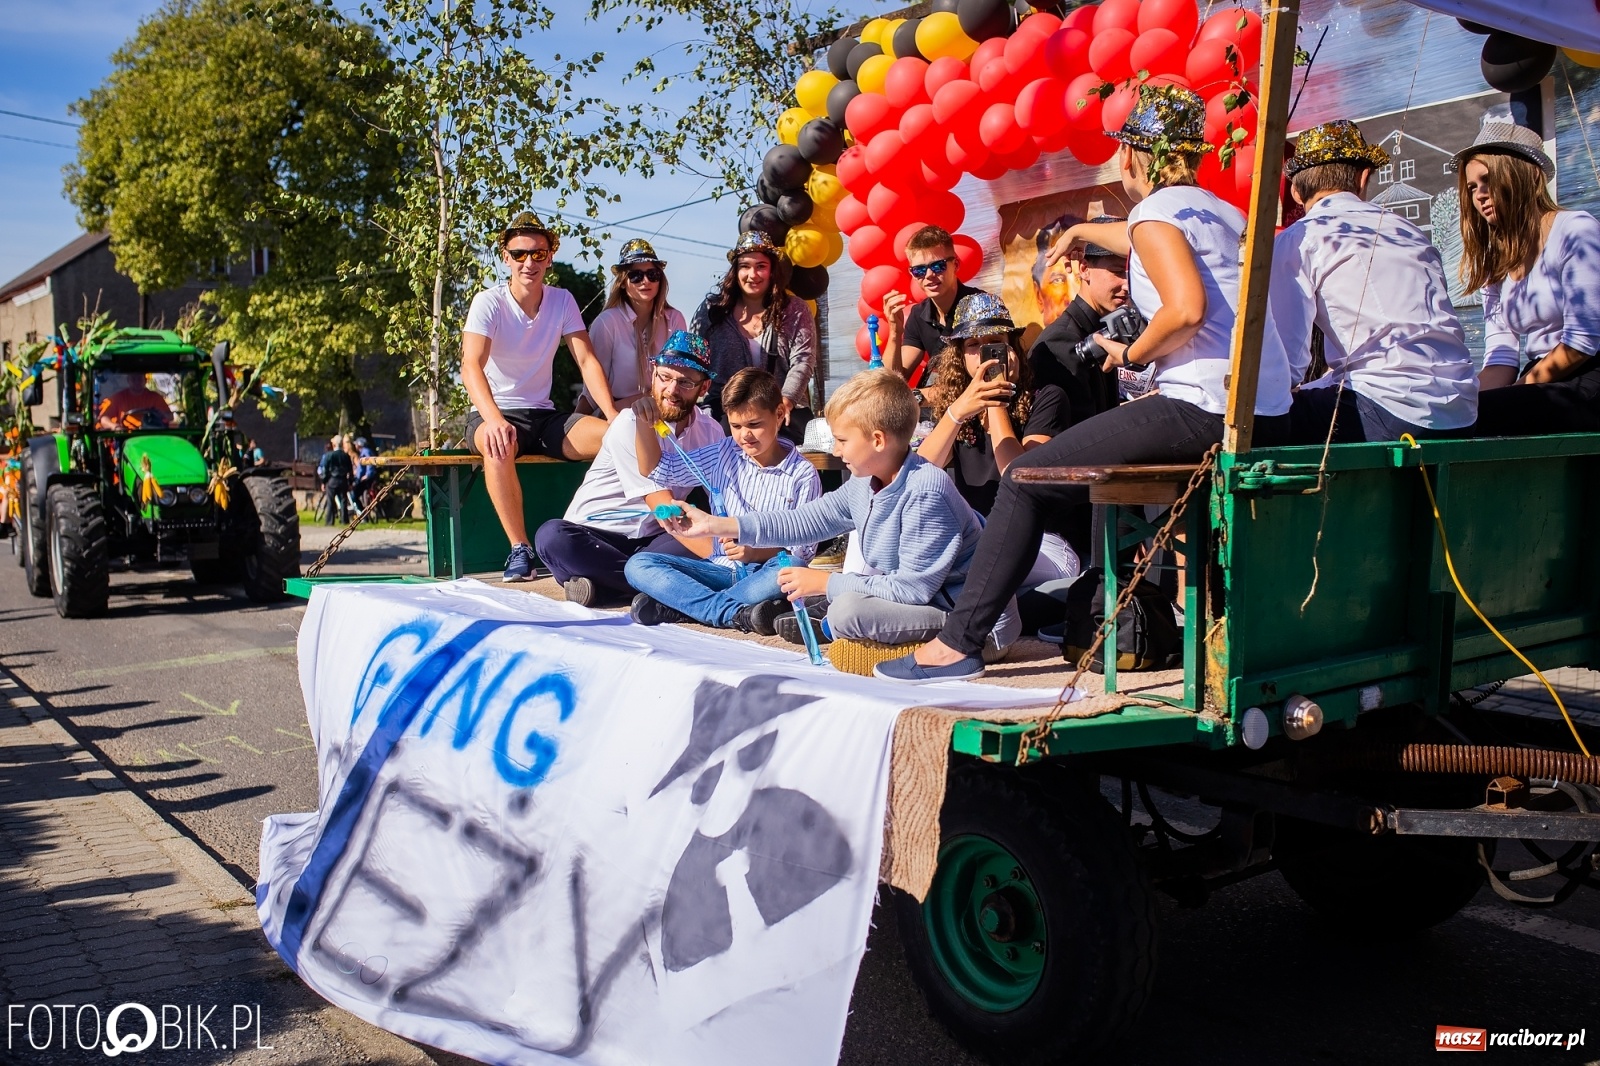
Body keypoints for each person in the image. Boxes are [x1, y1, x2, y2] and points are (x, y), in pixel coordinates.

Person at [878, 85, 1292, 682]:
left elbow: (1186, 310)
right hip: (1263, 408)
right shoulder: (1219, 212)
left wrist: (1134, 352)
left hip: (1204, 405)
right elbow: (1144, 238)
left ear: (1128, 157)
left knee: (1024, 477)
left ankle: (957, 643)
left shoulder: (1155, 214)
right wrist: (1079, 236)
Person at [661, 369, 1017, 658]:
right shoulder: (864, 483)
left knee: (847, 612)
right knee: (845, 603)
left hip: (973, 626)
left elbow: (911, 591)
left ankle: (841, 628)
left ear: (878, 440)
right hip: (925, 600)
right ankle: (838, 623)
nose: (834, 450)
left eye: (842, 440)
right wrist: (715, 524)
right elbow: (801, 521)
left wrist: (824, 584)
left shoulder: (926, 490)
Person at [1267, 120, 1477, 444]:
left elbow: (1285, 367)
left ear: (1295, 191)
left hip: (1388, 409)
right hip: (1461, 410)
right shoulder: (1409, 230)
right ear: (1363, 178)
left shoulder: (1299, 238)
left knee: (1261, 418)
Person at [462, 211, 620, 580]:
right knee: (498, 443)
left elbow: (586, 360)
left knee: (618, 438)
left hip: (544, 416)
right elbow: (470, 366)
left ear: (550, 257)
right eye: (519, 254)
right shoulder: (488, 302)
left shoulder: (562, 300)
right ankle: (520, 549)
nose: (528, 262)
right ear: (506, 257)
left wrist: (613, 415)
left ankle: (610, 535)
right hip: (493, 413)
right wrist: (494, 419)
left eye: (537, 254)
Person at [623, 368, 823, 633]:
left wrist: (754, 552)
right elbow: (658, 469)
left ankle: (686, 608)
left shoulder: (803, 474)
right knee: (638, 565)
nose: (744, 435)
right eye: (736, 426)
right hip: (718, 569)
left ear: (778, 414)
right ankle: (735, 613)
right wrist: (644, 422)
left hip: (765, 571)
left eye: (754, 425)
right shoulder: (724, 451)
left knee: (793, 568)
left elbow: (803, 551)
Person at [533, 332, 724, 598]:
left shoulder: (711, 431)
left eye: (685, 383)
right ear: (653, 375)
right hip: (597, 535)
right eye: (665, 377)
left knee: (714, 537)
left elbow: (724, 496)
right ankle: (652, 585)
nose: (672, 390)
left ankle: (607, 587)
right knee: (551, 537)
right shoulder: (629, 422)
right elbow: (661, 505)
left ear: (704, 388)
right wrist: (722, 559)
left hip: (655, 541)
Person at [1448, 109, 1600, 435]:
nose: (1479, 195)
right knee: (1453, 420)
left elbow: (1583, 342)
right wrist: (1462, 403)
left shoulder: (1576, 229)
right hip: (1539, 378)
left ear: (1529, 175)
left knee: (1486, 417)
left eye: (1488, 180)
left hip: (1587, 374)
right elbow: (1501, 355)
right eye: (1472, 187)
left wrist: (1516, 391)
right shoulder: (1496, 261)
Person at [692, 230, 817, 444]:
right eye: (745, 266)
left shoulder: (795, 309)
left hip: (781, 405)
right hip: (725, 407)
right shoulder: (712, 309)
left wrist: (785, 402)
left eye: (761, 266)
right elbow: (695, 357)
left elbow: (803, 361)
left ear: (772, 270)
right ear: (735, 270)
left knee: (799, 443)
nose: (753, 274)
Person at [1027, 220, 1132, 429]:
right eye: (1118, 272)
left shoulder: (1100, 327)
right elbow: (1083, 433)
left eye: (1131, 274)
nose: (1127, 285)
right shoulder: (1061, 342)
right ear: (1084, 269)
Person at [582, 239, 688, 414]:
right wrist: (578, 420)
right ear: (623, 282)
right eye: (636, 276)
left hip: (665, 409)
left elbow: (682, 376)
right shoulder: (607, 322)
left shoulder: (674, 319)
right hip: (618, 413)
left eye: (653, 274)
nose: (645, 281)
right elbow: (593, 386)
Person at [879, 225, 986, 387]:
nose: (929, 275)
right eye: (919, 270)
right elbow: (891, 383)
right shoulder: (918, 314)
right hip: (943, 398)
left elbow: (990, 375)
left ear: (956, 265)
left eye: (938, 266)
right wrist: (895, 331)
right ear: (912, 274)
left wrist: (925, 395)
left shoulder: (982, 306)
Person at [96, 373, 174, 430]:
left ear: (145, 381)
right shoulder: (119, 397)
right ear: (128, 380)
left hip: (150, 433)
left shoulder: (155, 397)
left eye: (139, 379)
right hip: (126, 435)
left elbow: (170, 417)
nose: (137, 382)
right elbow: (104, 418)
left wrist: (161, 414)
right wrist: (115, 427)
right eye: (133, 379)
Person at [320, 434, 354, 526]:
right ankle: (344, 520)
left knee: (331, 501)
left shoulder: (329, 455)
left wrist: (323, 481)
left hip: (332, 480)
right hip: (343, 480)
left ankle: (330, 521)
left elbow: (325, 470)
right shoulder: (346, 456)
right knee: (343, 501)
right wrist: (350, 482)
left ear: (334, 444)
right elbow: (350, 470)